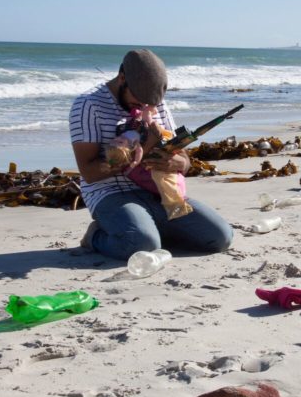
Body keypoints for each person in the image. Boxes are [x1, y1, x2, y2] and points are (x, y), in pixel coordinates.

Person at [69, 49, 234, 260]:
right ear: (122, 78)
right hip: (110, 192)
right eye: (139, 101)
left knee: (219, 238)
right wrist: (140, 151)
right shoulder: (88, 105)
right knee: (142, 245)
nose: (145, 107)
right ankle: (95, 237)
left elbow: (185, 160)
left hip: (159, 190)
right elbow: (89, 173)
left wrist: (178, 163)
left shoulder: (155, 102)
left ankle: (147, 229)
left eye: (151, 103)